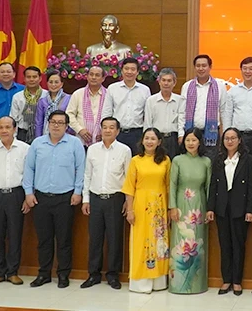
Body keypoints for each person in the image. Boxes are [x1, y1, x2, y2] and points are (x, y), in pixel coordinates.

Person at [23, 110, 85, 288]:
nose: (56, 125)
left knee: (64, 239)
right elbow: (29, 169)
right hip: (41, 197)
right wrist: (28, 192)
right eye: (53, 122)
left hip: (65, 198)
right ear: (48, 123)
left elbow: (80, 169)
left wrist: (78, 191)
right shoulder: (37, 144)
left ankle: (63, 274)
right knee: (44, 239)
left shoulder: (74, 144)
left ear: (67, 126)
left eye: (61, 123)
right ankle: (44, 273)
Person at [81, 117, 130, 290]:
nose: (108, 130)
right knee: (95, 238)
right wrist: (85, 199)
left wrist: (126, 201)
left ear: (117, 131)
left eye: (111, 128)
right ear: (100, 130)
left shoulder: (124, 150)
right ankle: (93, 274)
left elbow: (128, 178)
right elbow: (87, 175)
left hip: (115, 199)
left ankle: (113, 275)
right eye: (104, 127)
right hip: (95, 198)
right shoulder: (93, 149)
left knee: (114, 238)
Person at [207, 127, 252, 296]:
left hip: (240, 209)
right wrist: (210, 208)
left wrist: (250, 210)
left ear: (239, 140)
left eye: (233, 138)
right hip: (222, 208)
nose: (229, 141)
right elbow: (213, 185)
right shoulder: (218, 159)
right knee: (225, 244)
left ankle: (237, 281)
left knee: (238, 245)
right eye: (227, 138)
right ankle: (226, 279)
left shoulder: (248, 160)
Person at [0, 116, 30, 286]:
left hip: (16, 195)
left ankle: (13, 272)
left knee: (15, 235)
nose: (4, 130)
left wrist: (26, 197)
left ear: (15, 129)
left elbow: (29, 175)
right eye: (0, 127)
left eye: (7, 127)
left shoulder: (25, 149)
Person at [122, 128, 172, 294]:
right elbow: (129, 188)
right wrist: (130, 210)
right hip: (140, 206)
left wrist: (170, 209)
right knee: (141, 241)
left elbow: (168, 186)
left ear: (159, 142)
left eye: (153, 139)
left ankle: (158, 281)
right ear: (142, 141)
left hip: (159, 206)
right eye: (147, 138)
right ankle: (140, 282)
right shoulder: (136, 161)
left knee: (159, 242)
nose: (150, 141)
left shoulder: (165, 161)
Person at [168, 126, 212, 294]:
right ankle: (177, 284)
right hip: (181, 204)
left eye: (194, 140)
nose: (191, 143)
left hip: (199, 207)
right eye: (188, 140)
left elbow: (208, 187)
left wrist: (209, 209)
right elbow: (172, 185)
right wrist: (172, 207)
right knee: (181, 242)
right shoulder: (177, 160)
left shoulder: (206, 162)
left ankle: (197, 283)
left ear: (200, 142)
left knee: (197, 242)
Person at [181, 54, 230, 154]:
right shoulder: (187, 86)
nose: (201, 68)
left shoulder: (220, 87)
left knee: (210, 164)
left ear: (210, 67)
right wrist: (181, 134)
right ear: (194, 67)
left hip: (212, 134)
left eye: (204, 65)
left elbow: (224, 111)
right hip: (192, 134)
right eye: (198, 66)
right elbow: (182, 112)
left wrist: (226, 134)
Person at [104, 58, 151, 152]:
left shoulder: (145, 90)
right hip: (117, 133)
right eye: (126, 69)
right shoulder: (112, 88)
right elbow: (107, 112)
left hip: (137, 133)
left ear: (137, 72)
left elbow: (148, 115)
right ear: (121, 71)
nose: (129, 72)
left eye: (133, 69)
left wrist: (146, 135)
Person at [144, 68, 186, 160]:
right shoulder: (151, 100)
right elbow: (148, 122)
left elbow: (181, 120)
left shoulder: (180, 100)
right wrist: (147, 139)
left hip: (173, 139)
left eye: (169, 81)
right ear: (159, 82)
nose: (166, 83)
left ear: (174, 83)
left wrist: (181, 136)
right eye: (163, 80)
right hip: (156, 138)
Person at [66, 65, 109, 147]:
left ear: (103, 78)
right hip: (81, 141)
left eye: (97, 75)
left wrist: (104, 132)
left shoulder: (108, 94)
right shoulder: (78, 94)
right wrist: (80, 130)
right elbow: (69, 114)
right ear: (87, 77)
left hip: (102, 141)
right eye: (91, 74)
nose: (93, 77)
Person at [0, 62, 24, 142]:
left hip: (19, 129)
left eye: (8, 71)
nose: (5, 74)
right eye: (2, 72)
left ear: (14, 74)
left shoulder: (23, 89)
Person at [10, 66, 43, 144]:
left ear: (40, 78)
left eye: (34, 77)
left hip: (41, 132)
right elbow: (13, 118)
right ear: (24, 79)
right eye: (28, 77)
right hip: (22, 133)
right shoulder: (17, 97)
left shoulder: (46, 95)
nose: (31, 79)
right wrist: (13, 137)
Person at [34, 70, 72, 138]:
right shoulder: (42, 101)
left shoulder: (69, 99)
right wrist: (38, 139)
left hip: (65, 136)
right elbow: (39, 123)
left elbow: (71, 120)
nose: (53, 85)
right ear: (47, 83)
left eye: (56, 82)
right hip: (46, 136)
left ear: (61, 84)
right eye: (51, 82)